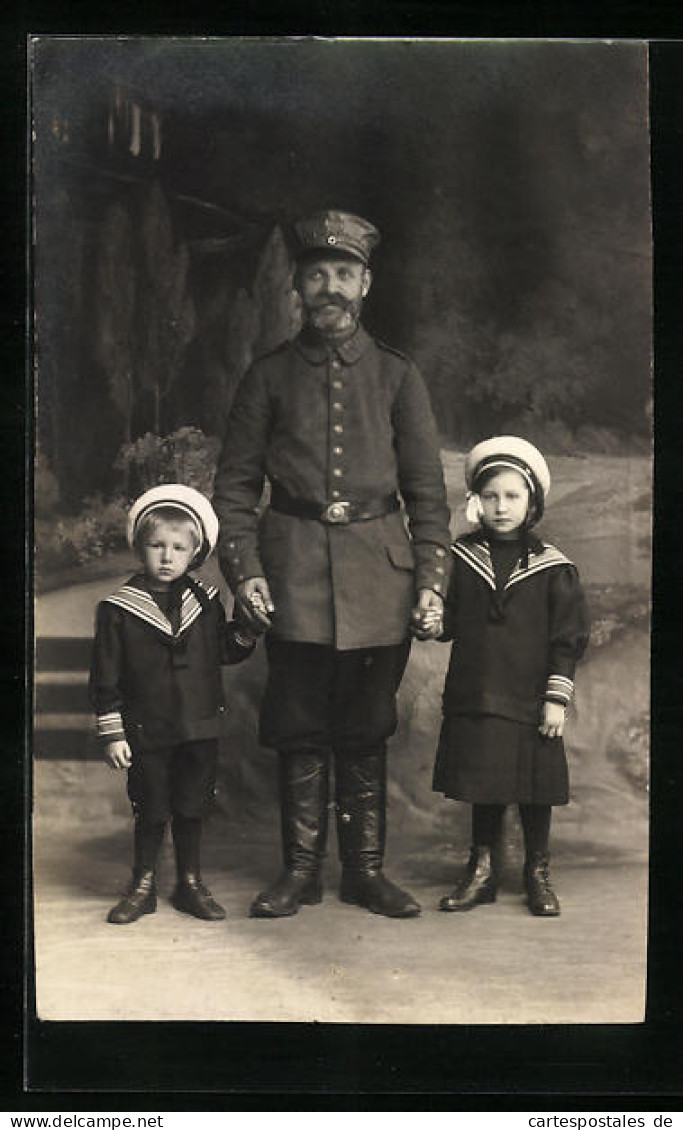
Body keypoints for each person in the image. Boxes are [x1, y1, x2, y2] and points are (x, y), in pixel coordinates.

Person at [212, 209, 452, 919]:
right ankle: (300, 873)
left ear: (365, 283)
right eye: (316, 274)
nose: (330, 288)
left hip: (381, 579)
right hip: (292, 579)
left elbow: (427, 495)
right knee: (298, 725)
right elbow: (232, 490)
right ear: (297, 285)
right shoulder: (267, 377)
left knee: (364, 726)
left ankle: (365, 873)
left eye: (343, 274)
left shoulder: (398, 377)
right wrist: (246, 570)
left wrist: (431, 581)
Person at [426, 436, 590, 916]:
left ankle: (536, 870)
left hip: (531, 694)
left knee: (534, 787)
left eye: (513, 496)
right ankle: (482, 870)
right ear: (477, 501)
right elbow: (449, 621)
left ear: (532, 502)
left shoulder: (553, 568)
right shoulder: (460, 559)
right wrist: (435, 620)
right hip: (478, 691)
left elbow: (567, 639)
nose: (501, 506)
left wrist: (556, 698)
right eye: (491, 496)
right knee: (486, 784)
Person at [89, 484, 262, 925]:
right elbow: (105, 678)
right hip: (149, 729)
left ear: (195, 552)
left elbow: (225, 651)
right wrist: (113, 732)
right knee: (151, 806)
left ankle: (189, 882)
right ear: (138, 548)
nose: (167, 556)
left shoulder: (206, 601)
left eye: (178, 548)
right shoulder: (118, 610)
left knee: (192, 805)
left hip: (200, 727)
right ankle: (142, 884)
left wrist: (246, 628)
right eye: (156, 546)